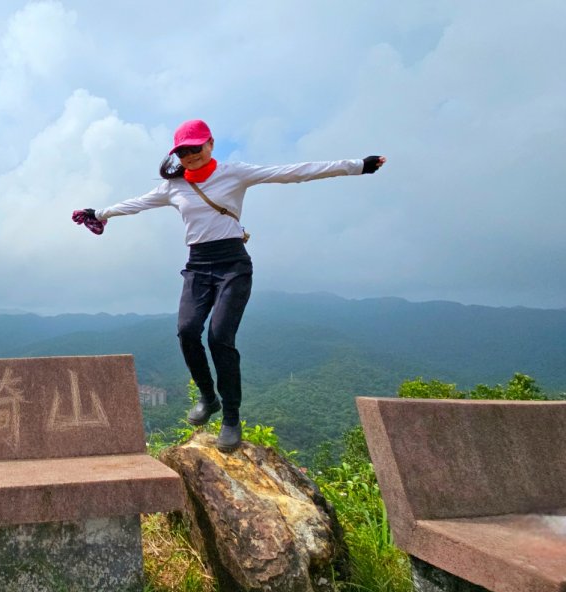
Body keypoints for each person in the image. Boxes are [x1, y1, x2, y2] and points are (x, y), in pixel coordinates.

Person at [73, 119, 385, 452]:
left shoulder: (235, 173)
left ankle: (231, 417)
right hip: (197, 266)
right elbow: (135, 204)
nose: (190, 156)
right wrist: (100, 213)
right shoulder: (173, 187)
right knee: (187, 330)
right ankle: (209, 398)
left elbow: (294, 171)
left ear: (210, 144)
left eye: (195, 148)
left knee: (220, 336)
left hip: (233, 266)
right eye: (183, 152)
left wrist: (358, 167)